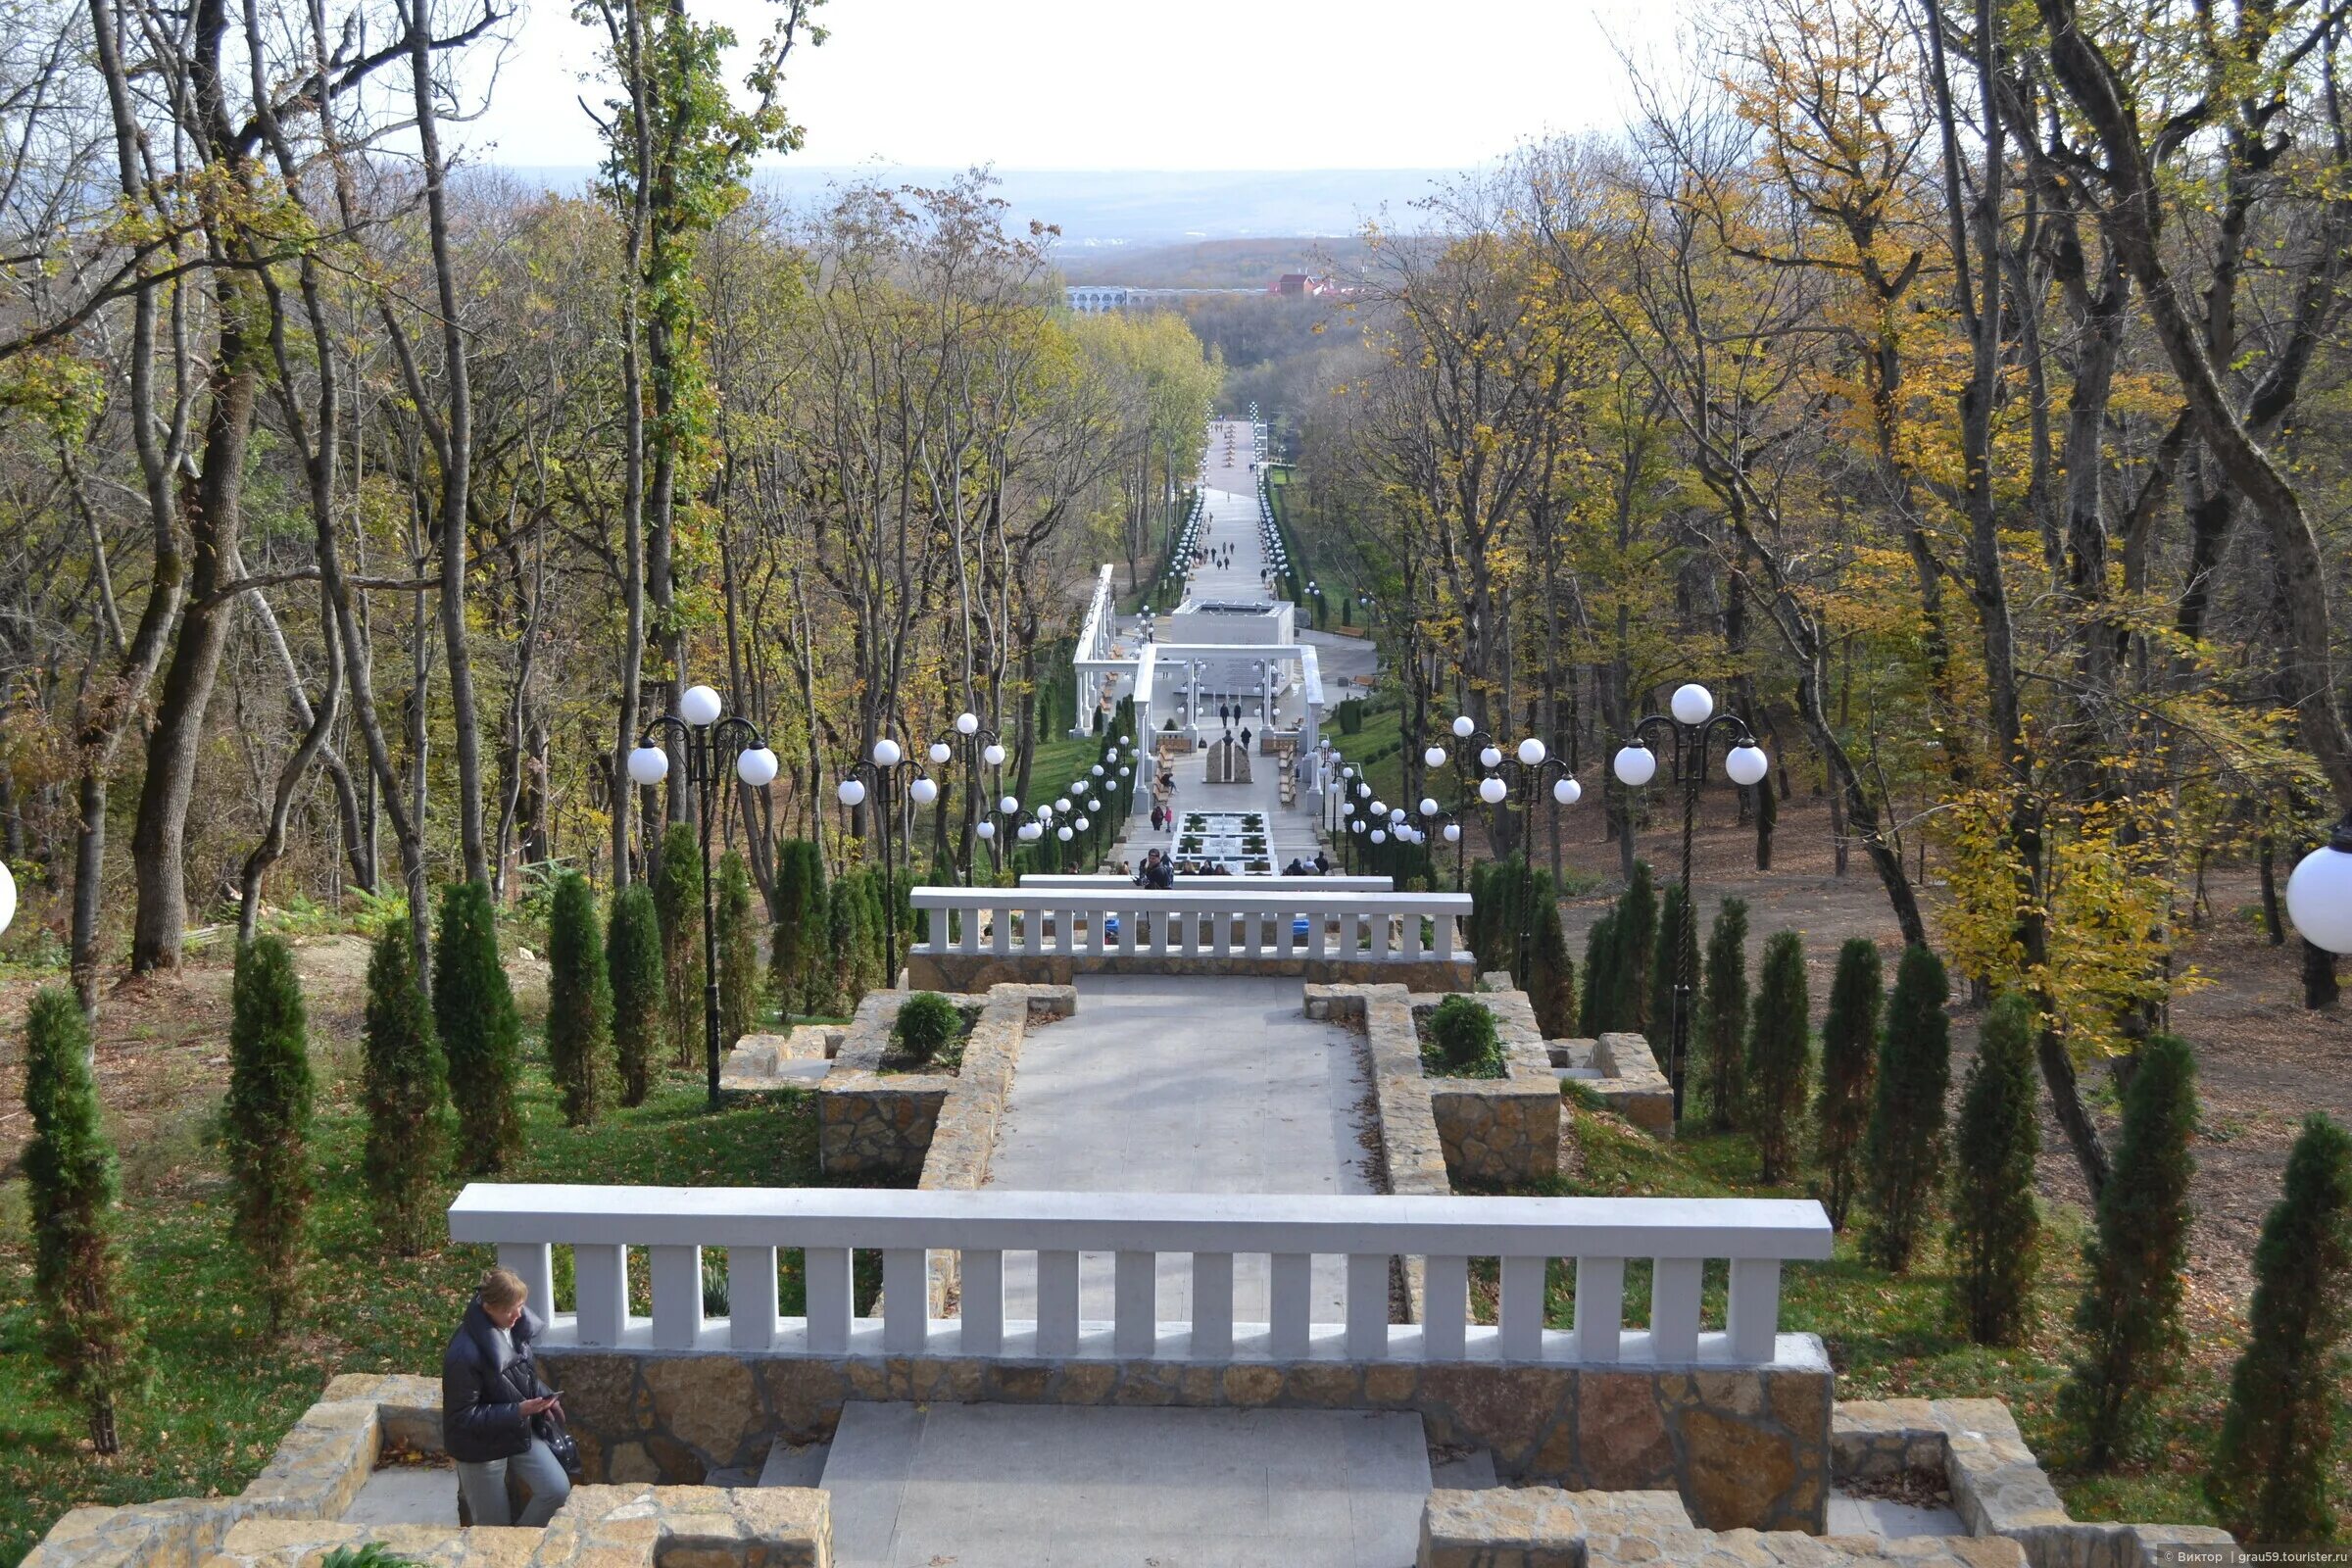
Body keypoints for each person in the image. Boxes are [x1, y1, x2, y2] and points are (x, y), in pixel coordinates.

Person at [444, 1267, 571, 1527]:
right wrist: (518, 1411)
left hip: (516, 1430)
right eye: (509, 1310)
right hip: (480, 1448)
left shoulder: (516, 1328)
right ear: (487, 1307)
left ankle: (520, 1547)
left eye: (521, 1306)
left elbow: (520, 1376)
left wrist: (545, 1398)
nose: (517, 1315)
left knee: (557, 1490)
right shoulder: (463, 1353)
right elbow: (461, 1418)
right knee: (493, 1529)